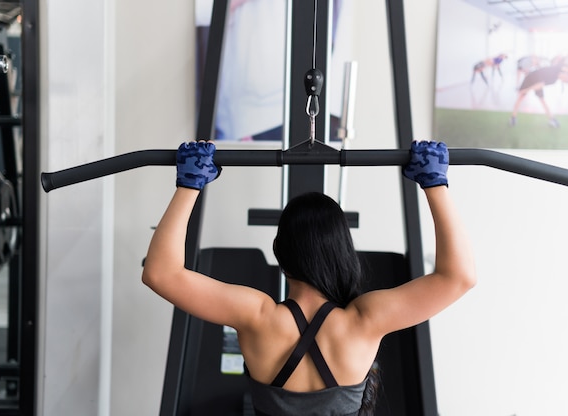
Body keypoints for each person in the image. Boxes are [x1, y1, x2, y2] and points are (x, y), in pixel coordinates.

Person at [142, 140, 476, 416]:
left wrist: (189, 184)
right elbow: (458, 276)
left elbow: (160, 273)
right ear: (343, 252)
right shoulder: (364, 320)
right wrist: (435, 185)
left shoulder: (257, 317)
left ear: (280, 253)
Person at [509, 64, 568, 128]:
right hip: (530, 78)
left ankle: (552, 119)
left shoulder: (553, 81)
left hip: (537, 82)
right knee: (520, 98)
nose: (564, 80)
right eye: (566, 79)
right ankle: (513, 118)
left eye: (565, 81)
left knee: (542, 100)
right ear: (566, 74)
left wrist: (526, 90)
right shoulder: (557, 69)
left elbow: (539, 85)